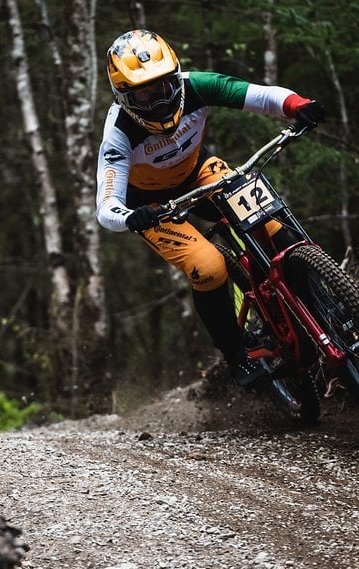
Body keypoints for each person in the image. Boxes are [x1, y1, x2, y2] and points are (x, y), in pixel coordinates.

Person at [95, 28, 325, 387]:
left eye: (162, 87)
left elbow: (260, 96)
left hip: (200, 171)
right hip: (152, 206)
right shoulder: (119, 132)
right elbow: (106, 206)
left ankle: (318, 303)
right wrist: (131, 217)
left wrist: (298, 104)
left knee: (271, 225)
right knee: (209, 266)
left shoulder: (198, 85)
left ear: (175, 76)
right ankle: (236, 355)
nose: (157, 101)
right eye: (143, 94)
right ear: (123, 97)